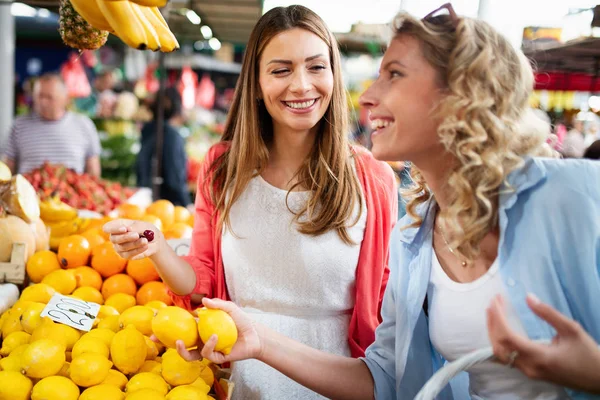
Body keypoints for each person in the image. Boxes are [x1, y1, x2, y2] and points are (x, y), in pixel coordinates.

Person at [176, 4, 600, 400]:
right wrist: (261, 341)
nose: (364, 97)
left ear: (460, 94)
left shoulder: (576, 195)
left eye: (393, 75)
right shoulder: (414, 239)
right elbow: (385, 380)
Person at [104, 5, 398, 399]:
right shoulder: (223, 168)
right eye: (281, 70)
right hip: (243, 379)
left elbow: (384, 305)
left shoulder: (372, 178)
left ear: (333, 73)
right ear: (256, 83)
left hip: (337, 381)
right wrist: (157, 247)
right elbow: (202, 281)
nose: (301, 85)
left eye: (315, 67)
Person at [2, 73, 101, 176]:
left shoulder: (84, 125)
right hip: (29, 189)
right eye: (40, 96)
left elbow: (93, 169)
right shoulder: (19, 125)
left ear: (65, 98)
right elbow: (8, 166)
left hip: (70, 189)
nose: (43, 102)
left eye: (49, 97)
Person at [136, 87, 192, 208]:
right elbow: (175, 177)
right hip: (167, 204)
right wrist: (186, 203)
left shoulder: (148, 129)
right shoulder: (171, 135)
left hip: (147, 197)